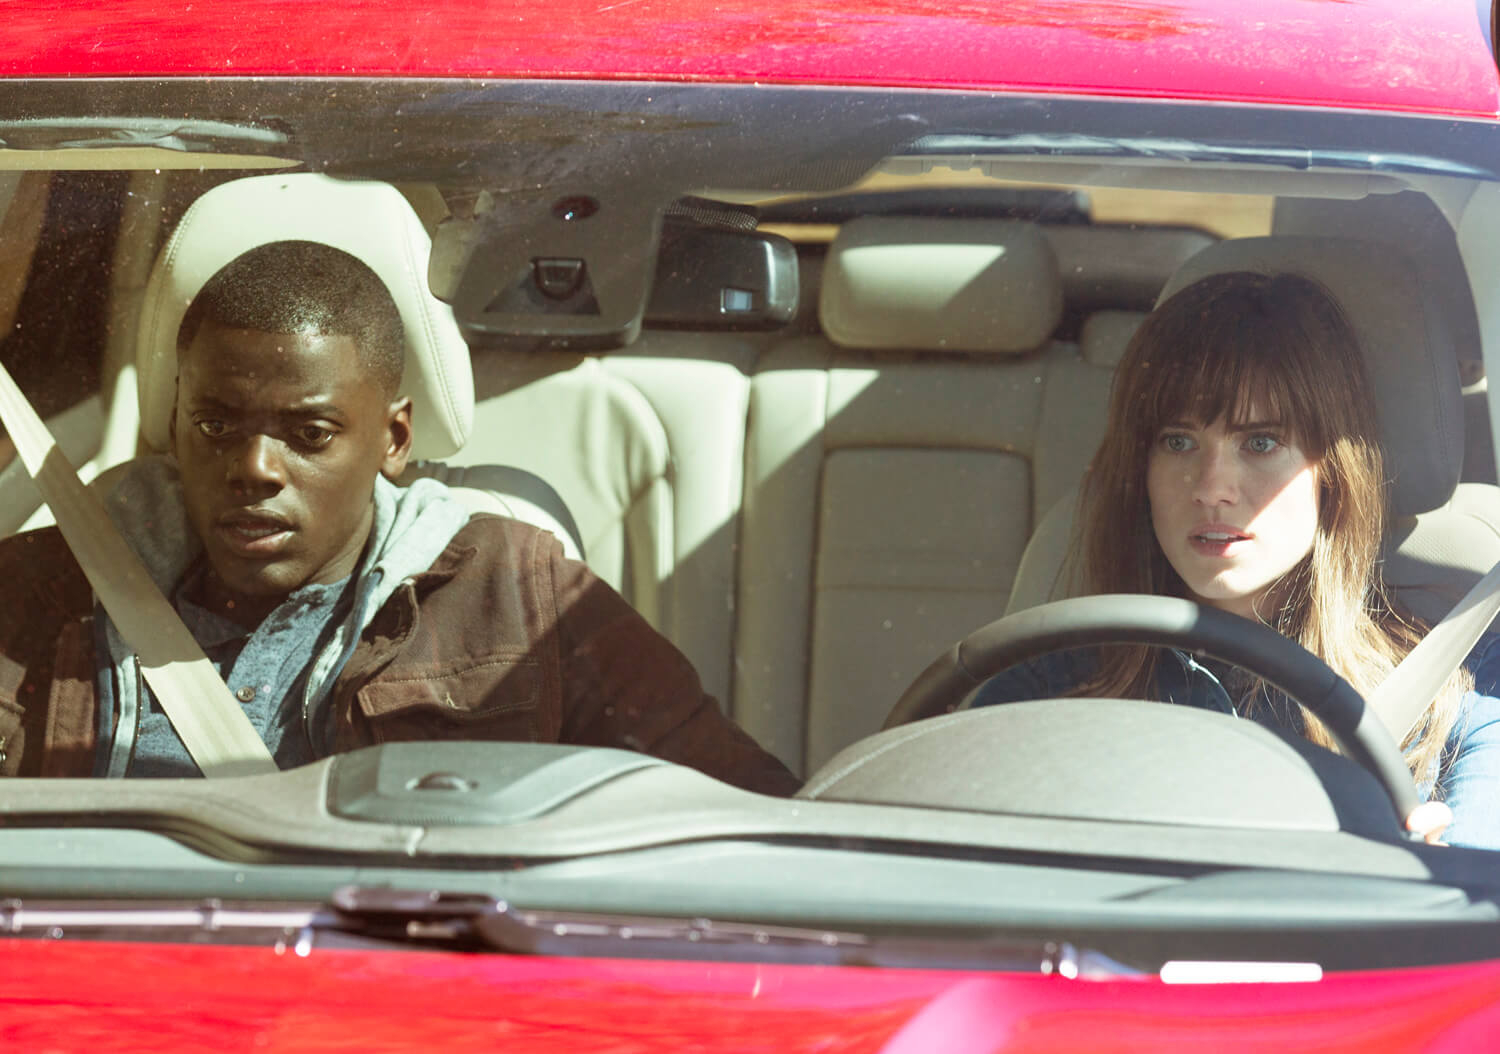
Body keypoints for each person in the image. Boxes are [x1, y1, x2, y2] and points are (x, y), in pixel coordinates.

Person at [0, 240, 799, 795]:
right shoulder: (39, 591)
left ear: (394, 439)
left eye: (310, 434)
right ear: (176, 421)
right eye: (216, 424)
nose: (254, 469)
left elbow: (745, 814)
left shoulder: (520, 595)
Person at [972, 270, 1500, 848]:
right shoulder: (1048, 688)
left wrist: (1433, 880)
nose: (1211, 488)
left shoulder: (1460, 694)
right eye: (1178, 441)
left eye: (1260, 442)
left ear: (1332, 472)